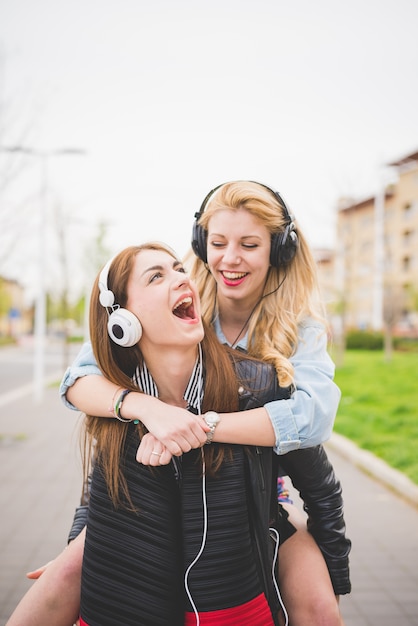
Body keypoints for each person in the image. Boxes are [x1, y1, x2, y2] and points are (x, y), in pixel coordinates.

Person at [7, 182, 351, 625]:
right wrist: (150, 410)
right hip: (153, 498)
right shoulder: (178, 304)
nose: (230, 258)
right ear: (200, 244)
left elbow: (313, 421)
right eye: (218, 243)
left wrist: (196, 427)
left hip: (256, 497)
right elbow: (80, 381)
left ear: (278, 250)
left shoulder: (295, 331)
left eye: (250, 244)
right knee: (65, 574)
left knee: (320, 606)